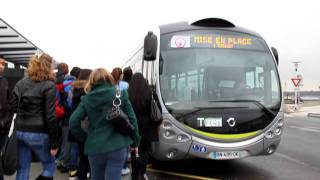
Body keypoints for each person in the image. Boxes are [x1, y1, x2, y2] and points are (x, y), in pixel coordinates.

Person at [69, 68, 140, 180]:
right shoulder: (120, 93)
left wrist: (86, 138)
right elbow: (132, 119)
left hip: (95, 147)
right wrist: (135, 141)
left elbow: (73, 122)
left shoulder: (87, 99)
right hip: (118, 145)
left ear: (92, 81)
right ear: (109, 78)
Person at [9, 53, 59, 180]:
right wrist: (54, 143)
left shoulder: (20, 83)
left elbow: (13, 107)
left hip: (19, 130)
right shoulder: (49, 85)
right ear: (48, 66)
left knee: (23, 168)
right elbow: (50, 116)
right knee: (49, 166)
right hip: (39, 132)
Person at [128, 73, 162, 180]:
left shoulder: (128, 94)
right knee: (144, 151)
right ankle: (142, 173)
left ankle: (135, 174)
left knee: (134, 151)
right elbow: (158, 111)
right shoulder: (151, 93)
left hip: (133, 127)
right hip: (148, 127)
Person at [69, 69, 92, 180]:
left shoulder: (74, 89)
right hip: (87, 125)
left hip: (76, 124)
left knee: (82, 155)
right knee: (89, 156)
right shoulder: (88, 90)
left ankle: (80, 175)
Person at [0, 56, 10, 180]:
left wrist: (6, 121)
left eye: (3, 64)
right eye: (0, 63)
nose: (1, 66)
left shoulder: (4, 81)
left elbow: (7, 103)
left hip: (3, 127)